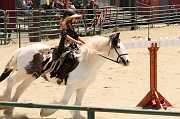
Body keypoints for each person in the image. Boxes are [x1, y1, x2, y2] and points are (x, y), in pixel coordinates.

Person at [50, 10, 85, 82]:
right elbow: (65, 35)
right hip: (64, 45)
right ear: (69, 18)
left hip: (72, 45)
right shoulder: (64, 24)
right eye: (74, 18)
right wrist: (76, 42)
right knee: (70, 58)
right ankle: (61, 76)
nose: (75, 19)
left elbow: (76, 36)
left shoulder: (71, 25)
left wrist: (84, 43)